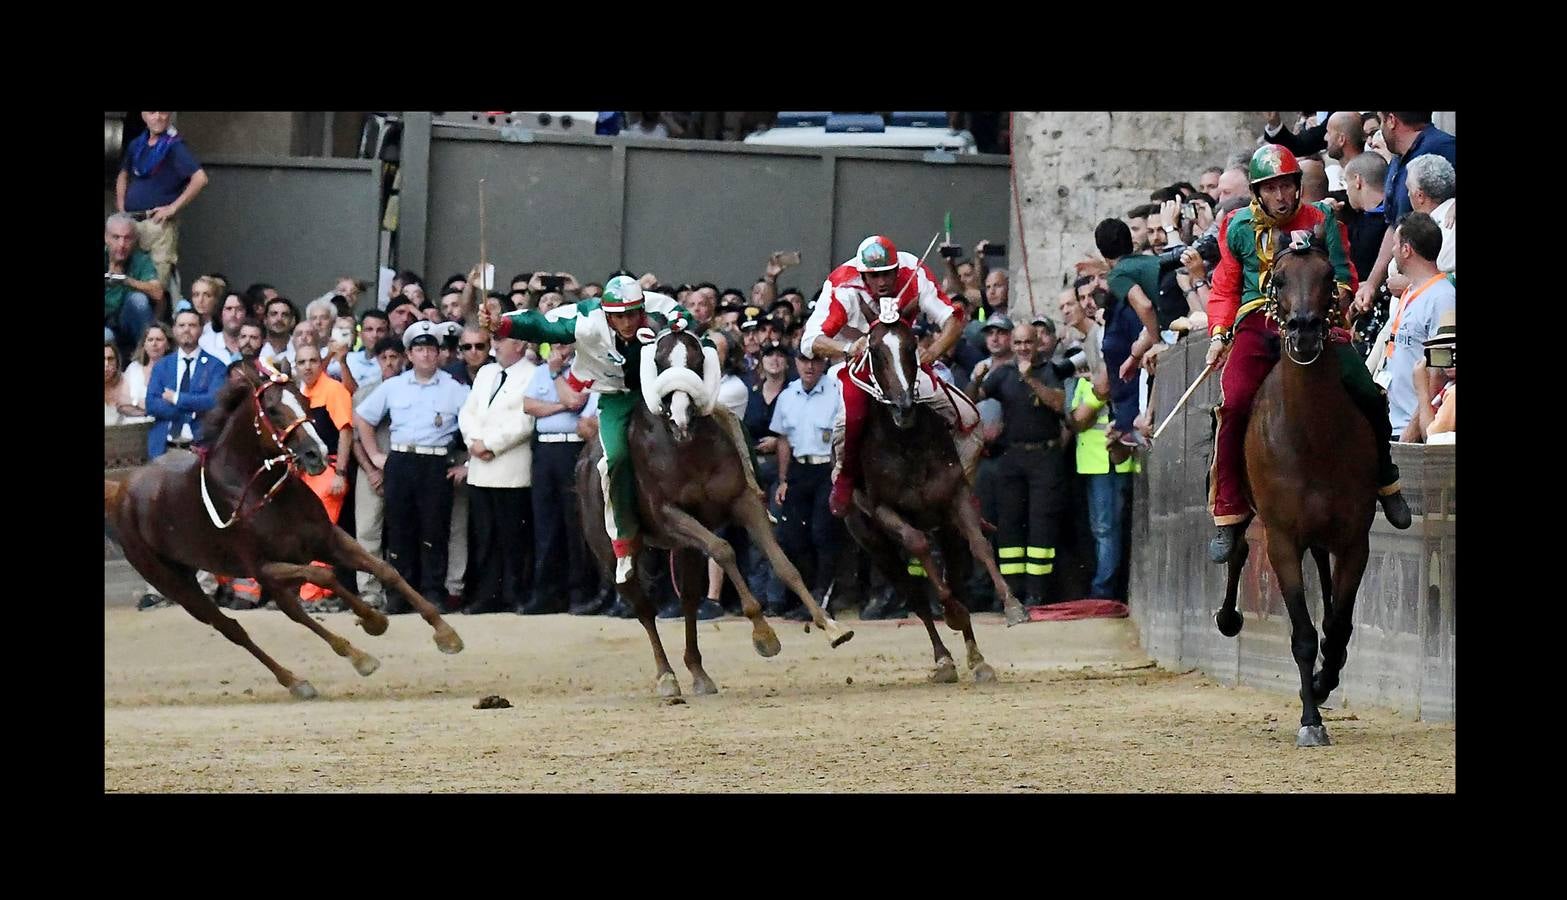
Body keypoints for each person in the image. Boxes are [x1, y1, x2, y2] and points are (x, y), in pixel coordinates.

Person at [1205, 144, 1412, 563]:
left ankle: (1386, 481)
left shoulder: (1322, 219)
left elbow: (1342, 272)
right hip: (1257, 323)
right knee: (1234, 404)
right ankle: (1229, 513)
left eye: (1287, 186)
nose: (1281, 196)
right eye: (1272, 188)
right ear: (1257, 193)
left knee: (1367, 391)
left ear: (1297, 187)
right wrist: (1220, 331)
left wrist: (1334, 301)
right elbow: (1226, 287)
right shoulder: (1236, 225)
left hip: (1316, 321)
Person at [479, 275, 704, 584]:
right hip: (616, 398)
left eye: (632, 314)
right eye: (619, 316)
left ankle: (747, 488)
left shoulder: (659, 308)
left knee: (713, 417)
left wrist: (673, 328)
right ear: (607, 312)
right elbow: (542, 326)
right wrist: (502, 325)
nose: (626, 323)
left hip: (661, 388)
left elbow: (685, 320)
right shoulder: (586, 318)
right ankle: (624, 543)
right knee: (614, 461)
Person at [799, 235, 981, 518]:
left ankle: (963, 486)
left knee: (968, 417)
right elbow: (809, 341)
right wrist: (847, 349)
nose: (882, 282)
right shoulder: (842, 286)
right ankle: (844, 481)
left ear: (897, 270)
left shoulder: (915, 272)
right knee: (851, 418)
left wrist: (932, 352)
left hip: (903, 360)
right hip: (860, 364)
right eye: (874, 276)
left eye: (887, 273)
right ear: (863, 275)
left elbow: (952, 319)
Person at [351, 321, 472, 613]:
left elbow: (476, 425)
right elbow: (363, 419)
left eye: (431, 349)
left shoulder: (454, 389)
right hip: (402, 460)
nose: (427, 355)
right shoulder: (393, 387)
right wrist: (376, 456)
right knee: (400, 529)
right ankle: (400, 592)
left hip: (435, 461)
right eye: (419, 349)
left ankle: (432, 591)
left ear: (439, 352)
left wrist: (468, 463)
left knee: (434, 528)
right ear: (409, 354)